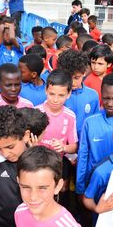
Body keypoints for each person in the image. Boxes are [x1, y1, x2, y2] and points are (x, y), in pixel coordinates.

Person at [15, 145, 85, 227]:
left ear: (58, 186)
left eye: (42, 188)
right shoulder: (20, 211)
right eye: (26, 187)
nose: (33, 197)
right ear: (18, 182)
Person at [76, 72, 113, 195]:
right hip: (94, 186)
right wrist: (80, 188)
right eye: (106, 98)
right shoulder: (90, 122)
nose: (110, 103)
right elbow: (83, 156)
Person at [36, 69, 78, 208]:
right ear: (46, 90)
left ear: (69, 94)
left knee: (59, 193)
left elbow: (74, 146)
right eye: (52, 94)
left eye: (61, 95)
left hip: (58, 163)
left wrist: (64, 147)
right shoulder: (36, 112)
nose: (55, 99)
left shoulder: (70, 116)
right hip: (37, 164)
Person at [58, 49, 100, 138]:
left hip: (84, 141)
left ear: (84, 73)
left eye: (76, 78)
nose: (72, 82)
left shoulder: (92, 95)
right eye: (68, 77)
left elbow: (95, 122)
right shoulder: (57, 94)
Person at [0, 17, 24, 84]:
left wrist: (11, 27)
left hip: (15, 85)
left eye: (10, 33)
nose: (8, 36)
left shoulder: (18, 49)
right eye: (6, 34)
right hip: (0, 87)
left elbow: (12, 38)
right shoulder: (0, 50)